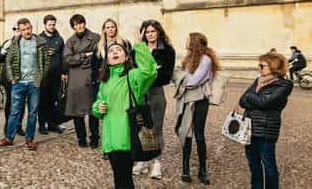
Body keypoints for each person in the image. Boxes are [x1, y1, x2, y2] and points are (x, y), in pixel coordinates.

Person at [92, 40, 157, 189]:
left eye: (119, 50)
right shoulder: (105, 81)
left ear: (127, 57)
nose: (115, 52)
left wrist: (140, 46)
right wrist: (97, 107)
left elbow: (150, 71)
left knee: (124, 180)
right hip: (110, 138)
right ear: (107, 60)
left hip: (126, 136)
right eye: (111, 51)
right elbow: (99, 102)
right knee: (119, 178)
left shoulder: (133, 76)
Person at [0, 18, 51, 151]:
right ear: (19, 30)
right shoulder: (14, 43)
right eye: (23, 29)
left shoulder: (40, 42)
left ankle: (29, 139)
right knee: (14, 112)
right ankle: (9, 138)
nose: (27, 31)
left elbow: (46, 61)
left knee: (32, 113)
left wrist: (40, 77)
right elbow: (7, 62)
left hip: (33, 83)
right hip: (18, 83)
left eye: (28, 28)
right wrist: (12, 78)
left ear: (31, 28)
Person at [240, 51, 293, 189]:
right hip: (249, 129)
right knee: (254, 164)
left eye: (262, 65)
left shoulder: (284, 85)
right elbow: (242, 101)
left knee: (269, 165)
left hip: (266, 131)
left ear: (273, 67)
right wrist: (256, 97)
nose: (259, 68)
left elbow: (264, 103)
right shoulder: (258, 81)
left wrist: (253, 96)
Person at [173, 32, 221, 185]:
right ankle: (185, 168)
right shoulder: (187, 59)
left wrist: (180, 79)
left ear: (195, 42)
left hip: (200, 100)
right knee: (186, 132)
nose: (186, 41)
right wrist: (180, 78)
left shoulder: (206, 59)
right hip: (187, 99)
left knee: (199, 134)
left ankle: (202, 169)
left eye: (189, 39)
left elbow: (193, 81)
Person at [132, 20, 176, 180]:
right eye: (147, 32)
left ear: (158, 32)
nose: (150, 34)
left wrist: (147, 72)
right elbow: (132, 70)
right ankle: (142, 161)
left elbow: (166, 76)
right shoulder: (137, 50)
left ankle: (156, 163)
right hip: (139, 93)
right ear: (143, 34)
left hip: (156, 93)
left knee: (156, 128)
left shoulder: (167, 51)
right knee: (140, 128)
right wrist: (151, 70)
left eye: (152, 31)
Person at [62, 14, 101, 148]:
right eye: (76, 24)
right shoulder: (70, 41)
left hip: (91, 77)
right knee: (76, 112)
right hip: (76, 80)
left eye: (81, 23)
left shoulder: (96, 37)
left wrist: (78, 58)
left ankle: (95, 137)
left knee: (93, 111)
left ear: (84, 23)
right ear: (73, 27)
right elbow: (67, 59)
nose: (79, 26)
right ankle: (81, 138)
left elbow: (98, 56)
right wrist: (84, 55)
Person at [38, 14, 65, 135]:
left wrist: (64, 72)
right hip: (43, 75)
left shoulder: (59, 39)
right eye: (49, 24)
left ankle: (52, 124)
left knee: (54, 100)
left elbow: (63, 56)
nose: (52, 27)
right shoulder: (39, 39)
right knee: (42, 100)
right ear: (45, 25)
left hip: (56, 75)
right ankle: (42, 125)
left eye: (53, 24)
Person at [0, 26, 25, 137]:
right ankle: (8, 125)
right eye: (15, 29)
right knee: (10, 102)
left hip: (22, 77)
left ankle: (18, 125)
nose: (17, 31)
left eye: (19, 29)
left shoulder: (26, 43)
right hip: (9, 78)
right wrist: (4, 49)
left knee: (22, 102)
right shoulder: (8, 42)